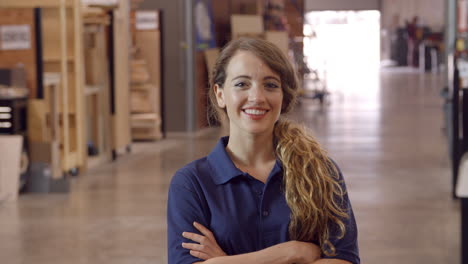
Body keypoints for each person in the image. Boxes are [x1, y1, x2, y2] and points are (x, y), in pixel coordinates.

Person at [167, 37, 359, 264]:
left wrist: (225, 261)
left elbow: (343, 260)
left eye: (270, 85)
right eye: (241, 84)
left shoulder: (319, 171)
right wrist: (292, 252)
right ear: (220, 94)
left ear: (283, 96)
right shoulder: (192, 183)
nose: (257, 97)